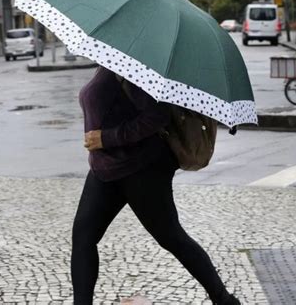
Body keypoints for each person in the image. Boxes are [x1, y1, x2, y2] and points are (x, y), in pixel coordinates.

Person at [71, 66, 241, 305]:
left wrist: (106, 138)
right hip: (104, 168)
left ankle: (224, 300)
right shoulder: (108, 65)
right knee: (83, 237)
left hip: (141, 169)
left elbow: (156, 117)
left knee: (171, 237)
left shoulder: (133, 68)